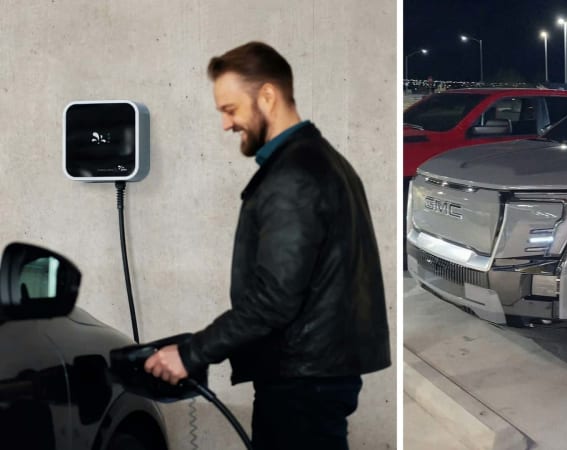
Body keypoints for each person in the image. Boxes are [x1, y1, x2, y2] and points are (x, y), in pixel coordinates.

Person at [143, 41, 391, 450]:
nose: (226, 124)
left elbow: (274, 298)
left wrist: (191, 353)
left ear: (268, 96)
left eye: (230, 109)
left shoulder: (294, 175)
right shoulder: (321, 161)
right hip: (313, 376)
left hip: (300, 383)